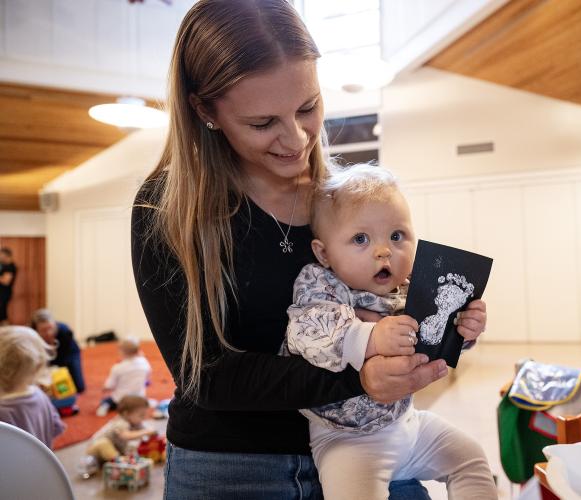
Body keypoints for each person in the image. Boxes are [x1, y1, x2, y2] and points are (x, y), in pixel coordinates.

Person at [131, 1, 449, 497]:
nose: (297, 138)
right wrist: (360, 378)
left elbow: (394, 304)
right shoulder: (166, 209)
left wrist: (442, 328)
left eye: (308, 107)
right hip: (228, 467)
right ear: (204, 110)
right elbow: (206, 376)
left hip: (375, 442)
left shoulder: (346, 200)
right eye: (262, 123)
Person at [283, 165, 495, 500]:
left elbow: (433, 336)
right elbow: (306, 331)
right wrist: (370, 336)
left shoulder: (412, 287)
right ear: (324, 253)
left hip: (408, 425)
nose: (383, 251)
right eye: (361, 239)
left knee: (471, 459)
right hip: (347, 441)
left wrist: (464, 330)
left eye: (397, 236)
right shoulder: (322, 283)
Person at [0, 326, 65, 449]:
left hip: (12, 468)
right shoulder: (41, 396)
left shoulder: (3, 409)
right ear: (38, 365)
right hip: (42, 465)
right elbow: (55, 427)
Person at [85, 395, 156, 464]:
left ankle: (118, 460)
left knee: (130, 448)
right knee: (104, 443)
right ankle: (119, 462)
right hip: (96, 448)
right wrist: (145, 432)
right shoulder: (120, 422)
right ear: (127, 414)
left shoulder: (136, 423)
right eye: (141, 415)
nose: (144, 418)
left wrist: (152, 433)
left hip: (114, 449)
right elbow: (126, 435)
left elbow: (146, 431)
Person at [31, 309, 85, 394]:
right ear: (36, 330)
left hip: (68, 354)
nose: (48, 333)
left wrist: (55, 371)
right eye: (43, 330)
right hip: (42, 357)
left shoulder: (65, 331)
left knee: (78, 387)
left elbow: (65, 357)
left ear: (55, 325)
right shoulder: (30, 334)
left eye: (50, 328)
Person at [96, 337, 152, 417]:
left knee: (106, 401)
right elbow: (148, 378)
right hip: (139, 398)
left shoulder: (117, 367)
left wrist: (104, 388)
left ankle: (105, 406)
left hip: (121, 400)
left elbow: (109, 386)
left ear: (122, 352)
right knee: (138, 398)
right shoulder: (144, 362)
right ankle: (144, 403)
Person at [0, 247, 17, 326]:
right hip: (2, 293)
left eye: (1, 255)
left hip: (4, 294)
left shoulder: (10, 267)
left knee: (3, 314)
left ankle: (6, 332)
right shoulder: (4, 266)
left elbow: (6, 281)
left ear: (6, 256)